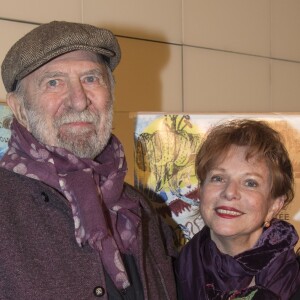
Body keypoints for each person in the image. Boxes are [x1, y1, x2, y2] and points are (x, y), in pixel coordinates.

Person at [0, 21, 177, 300]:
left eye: (91, 79)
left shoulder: (140, 210)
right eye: (54, 82)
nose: (79, 100)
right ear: (20, 109)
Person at [175, 119, 300, 300]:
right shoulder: (165, 278)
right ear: (201, 191)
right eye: (218, 178)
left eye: (250, 182)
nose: (230, 192)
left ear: (275, 205)